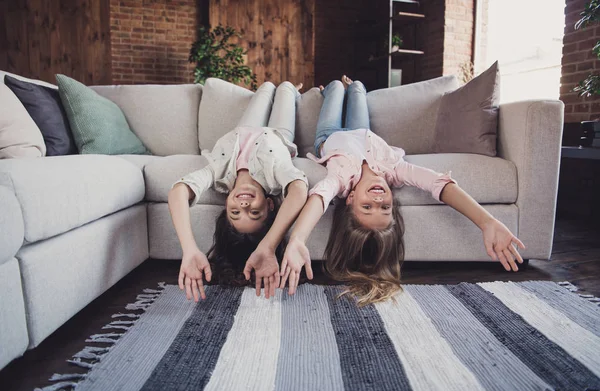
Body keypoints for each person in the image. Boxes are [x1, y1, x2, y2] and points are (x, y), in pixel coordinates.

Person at [279, 76, 525, 305]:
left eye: (367, 206)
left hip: (329, 136)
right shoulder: (395, 169)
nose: (378, 198)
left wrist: (298, 238)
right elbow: (439, 184)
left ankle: (332, 89)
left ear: (351, 199)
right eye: (384, 207)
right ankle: (353, 86)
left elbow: (319, 198)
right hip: (365, 131)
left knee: (335, 87)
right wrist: (486, 222)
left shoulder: (341, 179)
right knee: (357, 90)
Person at [168, 81, 309, 302]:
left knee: (264, 88)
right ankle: (293, 89)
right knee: (284, 88)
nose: (244, 207)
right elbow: (299, 190)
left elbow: (178, 191)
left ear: (226, 206)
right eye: (255, 213)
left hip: (242, 129)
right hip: (279, 133)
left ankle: (270, 89)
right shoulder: (275, 175)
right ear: (270, 205)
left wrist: (189, 249)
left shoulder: (217, 173)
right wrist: (268, 246)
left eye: (235, 213)